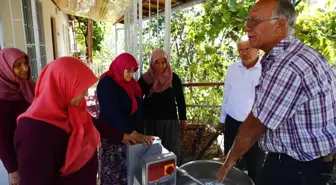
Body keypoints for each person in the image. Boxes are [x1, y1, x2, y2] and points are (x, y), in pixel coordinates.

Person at [216, 0, 336, 185]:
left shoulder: (286, 65)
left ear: (280, 25)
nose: (247, 27)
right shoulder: (302, 54)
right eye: (248, 21)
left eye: (255, 21)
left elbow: (255, 126)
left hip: (298, 166)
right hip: (312, 161)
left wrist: (230, 159)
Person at [14, 57, 142, 185]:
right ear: (63, 84)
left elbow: (94, 123)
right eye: (81, 88)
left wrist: (123, 136)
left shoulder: (69, 110)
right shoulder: (33, 132)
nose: (86, 94)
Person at [97, 53, 153, 185]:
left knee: (129, 175)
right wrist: (133, 133)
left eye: (134, 70)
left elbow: (138, 109)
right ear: (119, 67)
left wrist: (138, 134)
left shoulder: (132, 85)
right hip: (113, 137)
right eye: (128, 69)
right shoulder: (106, 83)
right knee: (113, 176)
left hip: (131, 138)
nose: (131, 73)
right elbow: (112, 112)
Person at [219, 35, 265, 182]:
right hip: (232, 121)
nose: (244, 52)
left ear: (257, 49)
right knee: (230, 162)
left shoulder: (266, 69)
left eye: (248, 48)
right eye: (241, 50)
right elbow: (226, 94)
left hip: (255, 124)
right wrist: (222, 120)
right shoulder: (233, 69)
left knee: (255, 164)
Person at [138, 48, 187, 166]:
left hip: (170, 121)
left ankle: (174, 177)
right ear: (152, 63)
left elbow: (180, 100)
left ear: (167, 62)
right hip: (150, 122)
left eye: (163, 62)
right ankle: (154, 179)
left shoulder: (173, 78)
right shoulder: (146, 79)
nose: (160, 65)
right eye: (157, 62)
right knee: (153, 151)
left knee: (172, 151)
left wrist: (183, 118)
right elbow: (137, 98)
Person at [0, 48, 35, 185]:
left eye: (25, 63)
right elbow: (1, 138)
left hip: (36, 153)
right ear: (5, 68)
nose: (25, 68)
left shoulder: (28, 87)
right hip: (19, 160)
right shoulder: (2, 99)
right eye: (18, 65)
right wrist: (12, 170)